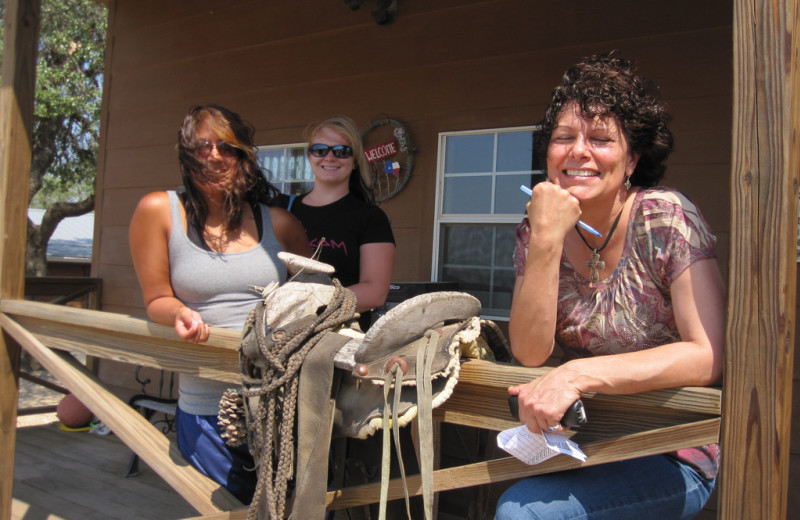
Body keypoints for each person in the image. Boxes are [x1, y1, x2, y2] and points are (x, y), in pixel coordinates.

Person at [495, 53, 725, 520]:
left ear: (633, 159)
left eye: (600, 139)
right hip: (581, 443)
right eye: (563, 138)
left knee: (524, 514)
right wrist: (546, 240)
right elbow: (531, 351)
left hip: (669, 448)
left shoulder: (665, 217)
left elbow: (707, 355)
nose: (578, 151)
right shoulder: (536, 228)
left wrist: (577, 375)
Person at [128, 104, 310, 504]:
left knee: (300, 507)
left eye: (226, 146)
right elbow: (156, 298)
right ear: (184, 155)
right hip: (210, 410)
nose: (213, 155)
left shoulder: (279, 222)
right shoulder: (158, 210)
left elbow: (312, 300)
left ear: (244, 154)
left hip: (284, 403)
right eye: (201, 146)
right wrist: (178, 313)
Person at [284, 115, 395, 330]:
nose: (330, 157)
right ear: (309, 156)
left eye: (342, 151)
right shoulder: (283, 209)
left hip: (338, 335)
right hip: (278, 333)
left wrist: (313, 307)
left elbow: (375, 292)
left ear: (354, 161)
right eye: (320, 150)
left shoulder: (371, 218)